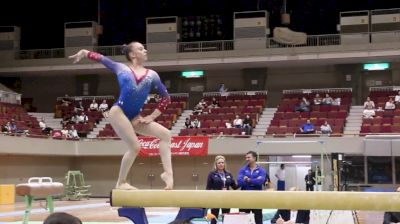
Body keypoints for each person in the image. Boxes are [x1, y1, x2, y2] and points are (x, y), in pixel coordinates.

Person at [69, 41, 173, 190]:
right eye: (141, 49)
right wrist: (85, 52)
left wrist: (151, 117)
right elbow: (102, 59)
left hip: (135, 116)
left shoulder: (152, 75)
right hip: (118, 112)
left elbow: (166, 98)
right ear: (132, 54)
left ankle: (167, 174)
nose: (145, 50)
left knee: (166, 135)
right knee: (135, 147)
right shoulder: (122, 68)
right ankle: (121, 182)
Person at [206, 155, 238, 224]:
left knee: (226, 218)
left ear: (224, 164)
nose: (221, 164)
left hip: (226, 198)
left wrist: (242, 182)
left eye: (222, 162)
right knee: (214, 218)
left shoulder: (228, 174)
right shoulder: (212, 174)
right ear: (216, 164)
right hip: (215, 198)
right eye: (219, 163)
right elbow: (208, 188)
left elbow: (234, 187)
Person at [237, 151, 266, 224]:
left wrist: (248, 179)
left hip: (257, 199)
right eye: (246, 157)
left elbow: (260, 182)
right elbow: (240, 182)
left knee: (258, 220)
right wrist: (255, 180)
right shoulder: (242, 170)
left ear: (254, 158)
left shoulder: (262, 170)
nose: (246, 159)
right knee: (243, 221)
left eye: (248, 157)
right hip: (244, 199)